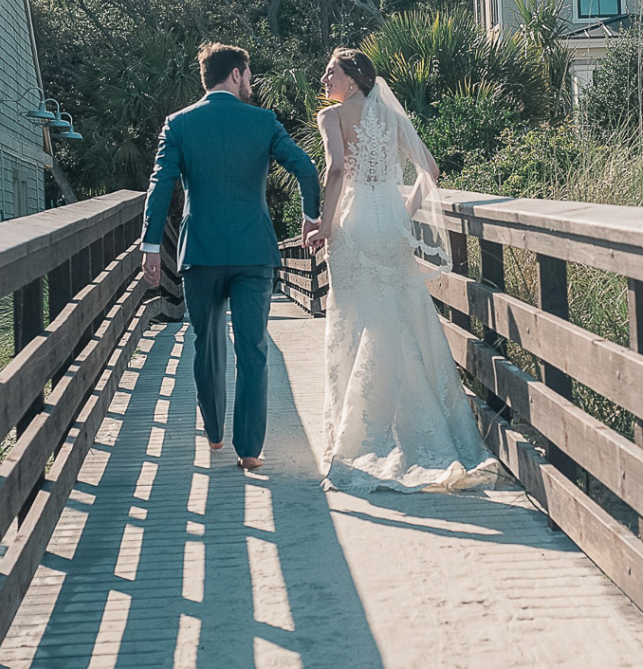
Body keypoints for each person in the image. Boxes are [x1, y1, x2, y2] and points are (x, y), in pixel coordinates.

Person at [306, 48, 501, 492]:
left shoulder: (332, 118)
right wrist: (403, 213)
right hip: (390, 225)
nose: (324, 78)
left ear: (352, 78)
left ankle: (357, 438)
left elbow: (336, 169)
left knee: (355, 324)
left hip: (353, 225)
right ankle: (430, 432)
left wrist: (325, 226)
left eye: (330, 71)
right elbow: (429, 170)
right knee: (402, 320)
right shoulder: (393, 117)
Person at [141, 43, 321, 470]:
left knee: (206, 345)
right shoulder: (263, 121)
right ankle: (249, 449)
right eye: (249, 75)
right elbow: (306, 168)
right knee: (253, 348)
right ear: (237, 74)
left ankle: (216, 434)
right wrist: (310, 217)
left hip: (200, 252)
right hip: (253, 252)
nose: (251, 82)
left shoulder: (179, 124)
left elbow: (160, 185)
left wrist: (150, 246)